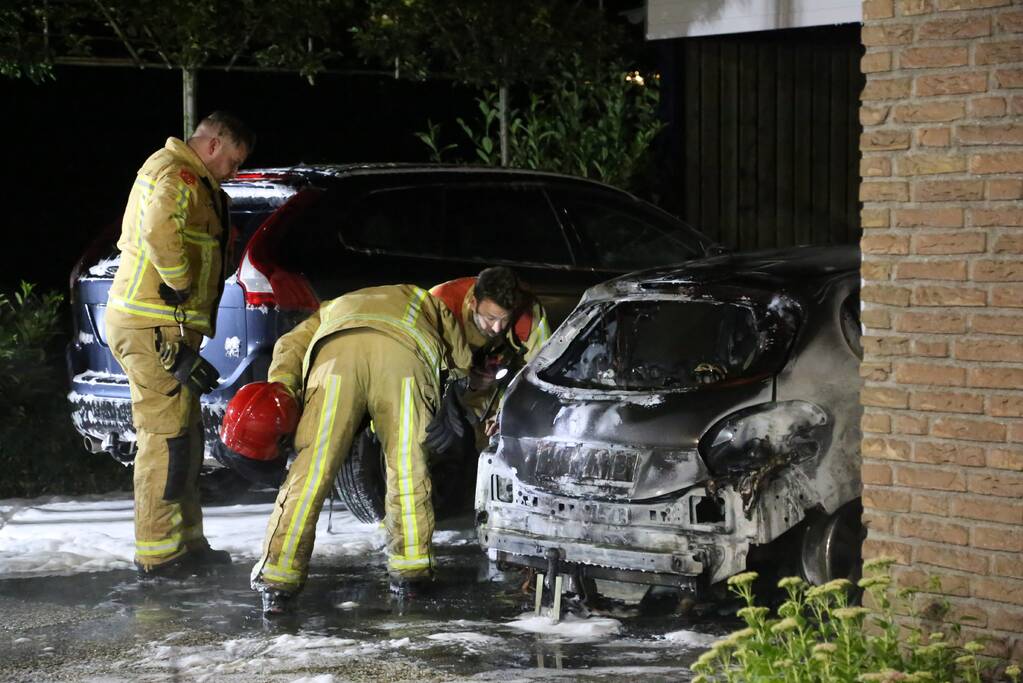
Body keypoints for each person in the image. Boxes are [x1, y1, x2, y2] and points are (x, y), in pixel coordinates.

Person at [250, 284, 474, 615]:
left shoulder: (333, 306)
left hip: (336, 360)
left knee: (310, 471)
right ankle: (411, 574)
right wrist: (457, 383)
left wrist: (284, 387)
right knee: (407, 467)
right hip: (403, 359)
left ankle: (277, 579)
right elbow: (456, 345)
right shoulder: (420, 296)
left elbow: (289, 345)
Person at [105, 111, 255, 580]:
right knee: (165, 438)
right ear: (213, 145)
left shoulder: (193, 179)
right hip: (152, 325)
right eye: (233, 162)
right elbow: (158, 229)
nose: (233, 172)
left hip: (165, 327)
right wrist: (181, 282)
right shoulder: (178, 173)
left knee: (185, 437)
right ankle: (159, 554)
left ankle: (187, 543)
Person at [429, 267, 551, 446]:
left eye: (505, 319)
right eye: (490, 318)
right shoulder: (441, 302)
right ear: (473, 303)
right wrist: (462, 384)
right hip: (447, 388)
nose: (497, 328)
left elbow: (540, 371)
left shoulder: (529, 312)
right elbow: (423, 366)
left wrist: (506, 413)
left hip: (494, 387)